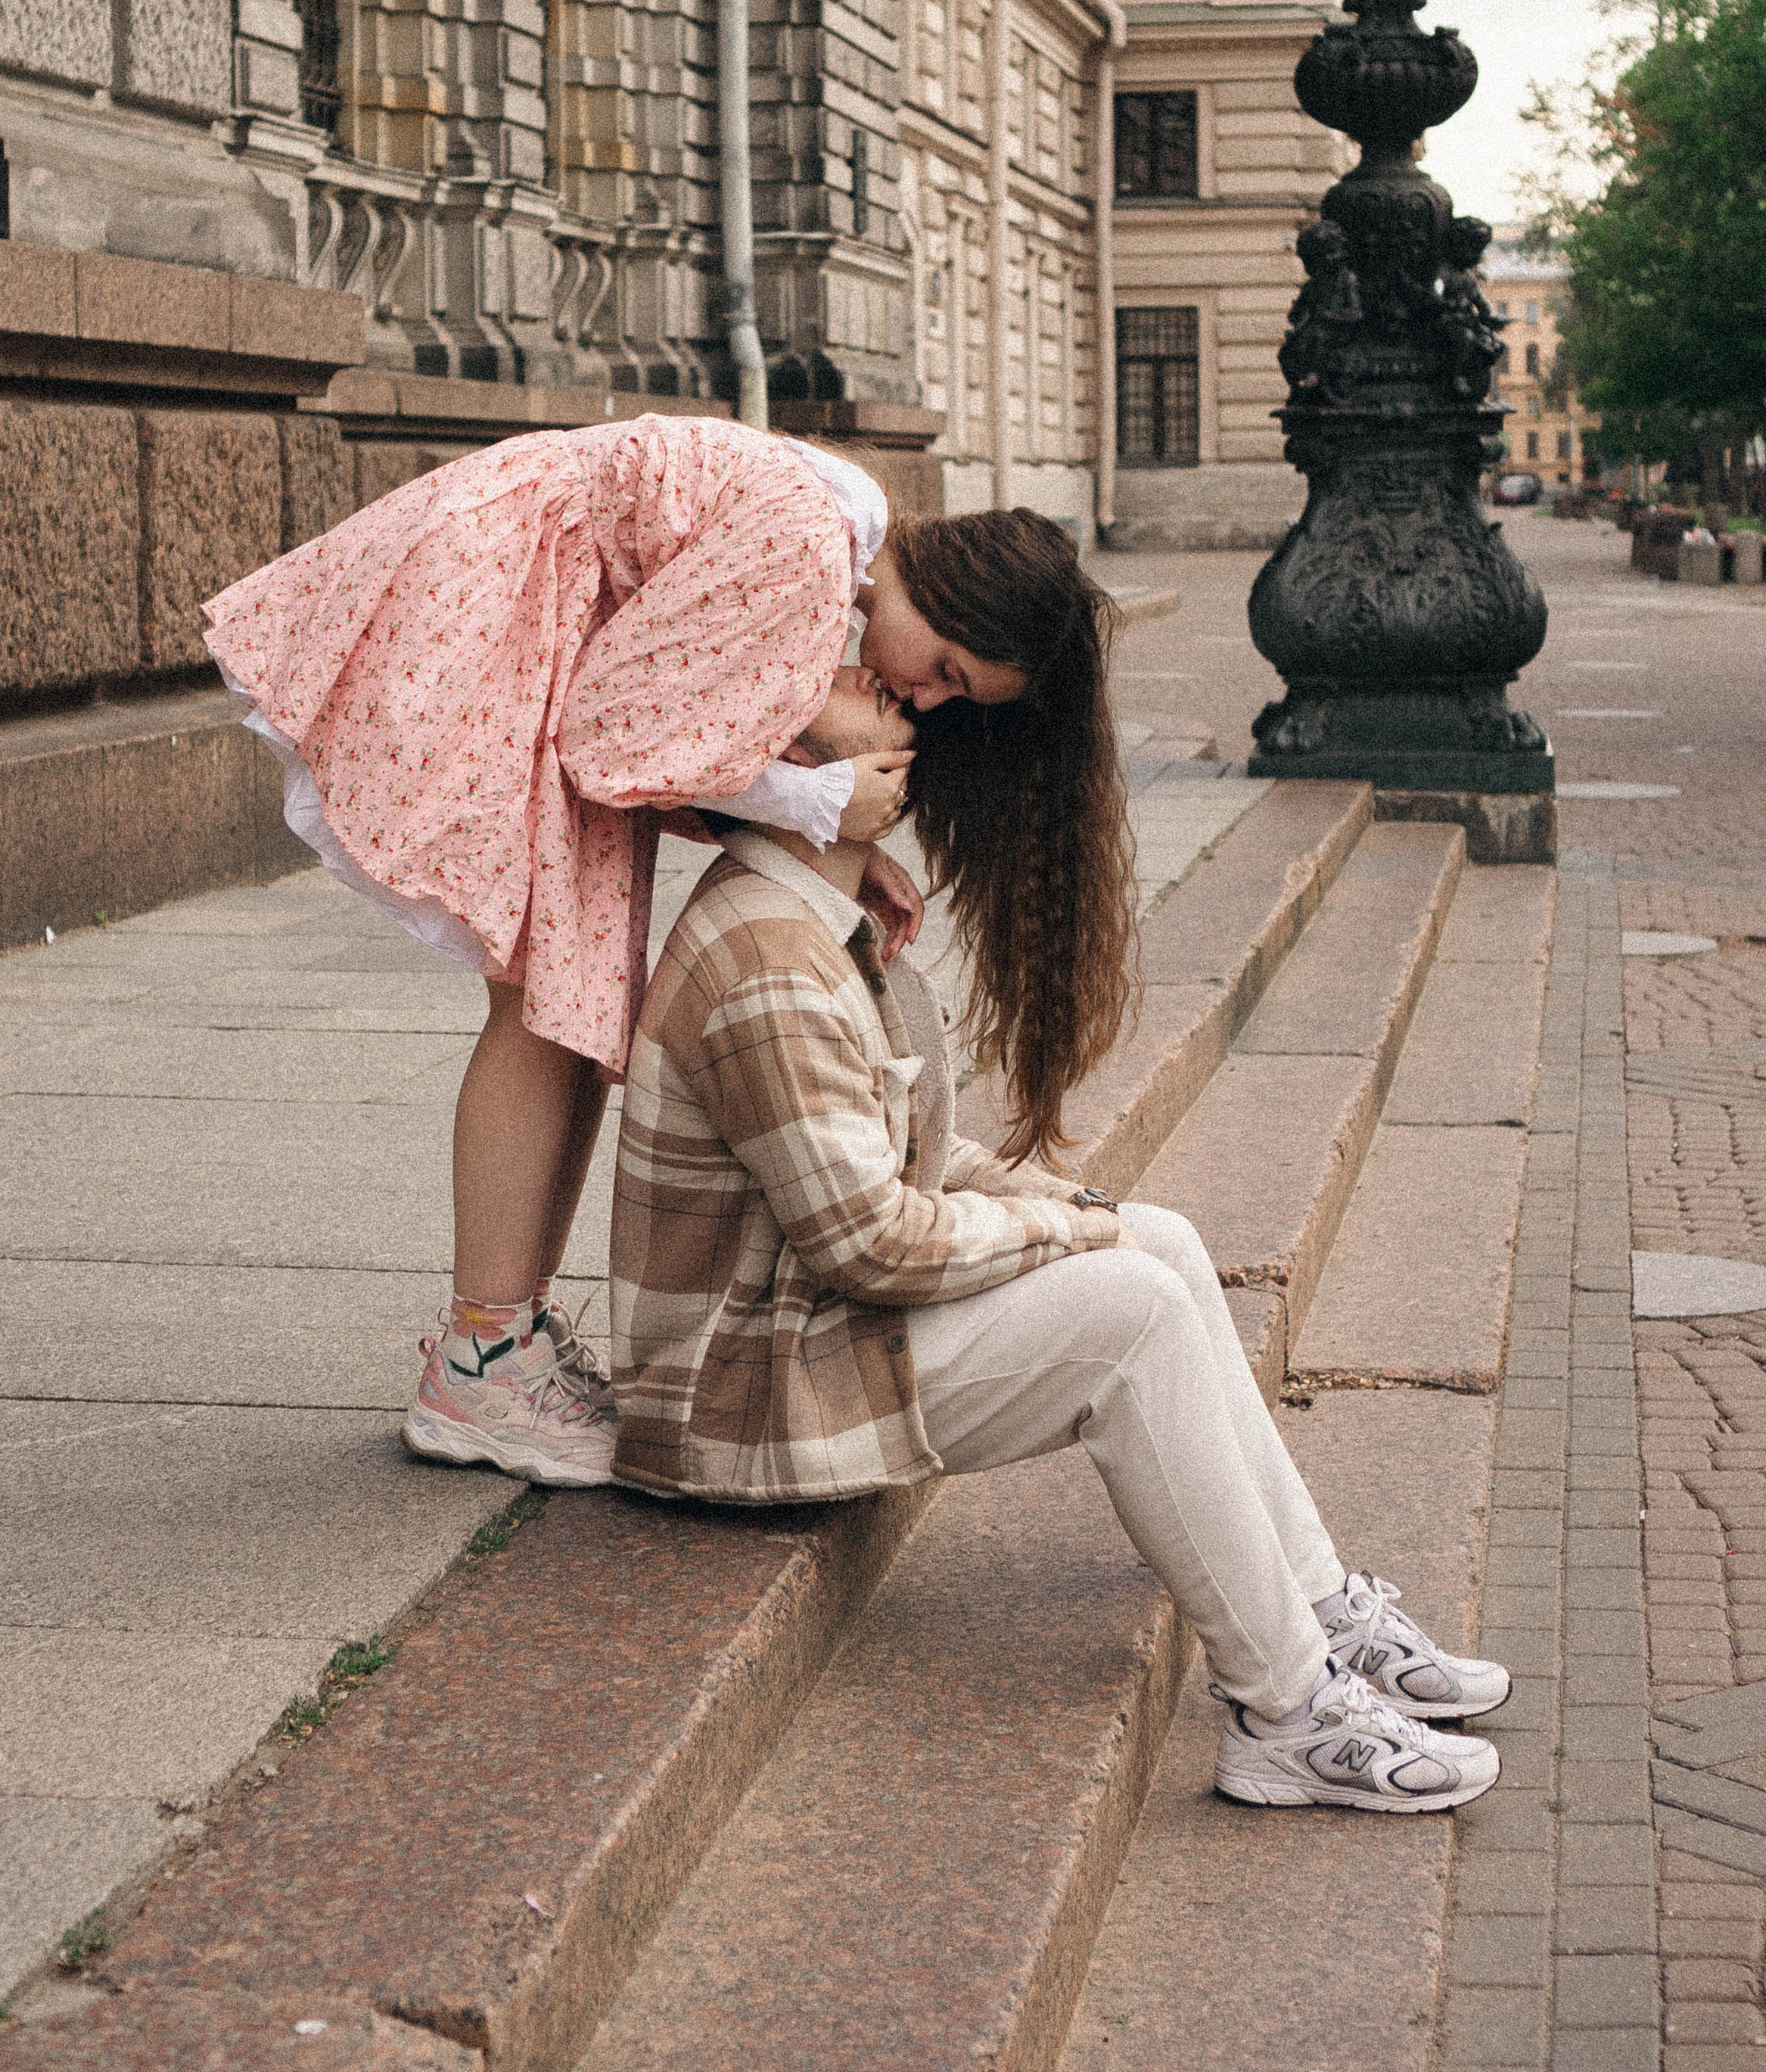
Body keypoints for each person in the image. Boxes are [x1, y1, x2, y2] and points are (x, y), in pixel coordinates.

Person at [609, 664, 1510, 1815]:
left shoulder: (808, 914)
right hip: (745, 1396)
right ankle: (1287, 1713)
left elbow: (909, 1156)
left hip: (804, 1325)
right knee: (1132, 1316)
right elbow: (870, 1243)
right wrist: (1059, 1233)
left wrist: (1079, 1212)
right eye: (836, 678)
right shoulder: (766, 961)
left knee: (1160, 1243)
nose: (885, 685)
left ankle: (1322, 1606)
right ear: (786, 760)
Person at [200, 416, 1129, 1486]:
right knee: (540, 998)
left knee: (573, 1004)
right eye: (949, 671)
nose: (927, 698)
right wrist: (816, 801)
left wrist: (832, 833)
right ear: (951, 594)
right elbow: (611, 739)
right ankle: (481, 1359)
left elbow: (673, 726)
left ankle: (503, 1340)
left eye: (954, 697)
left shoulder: (830, 540)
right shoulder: (811, 548)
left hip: (528, 619)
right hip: (501, 615)